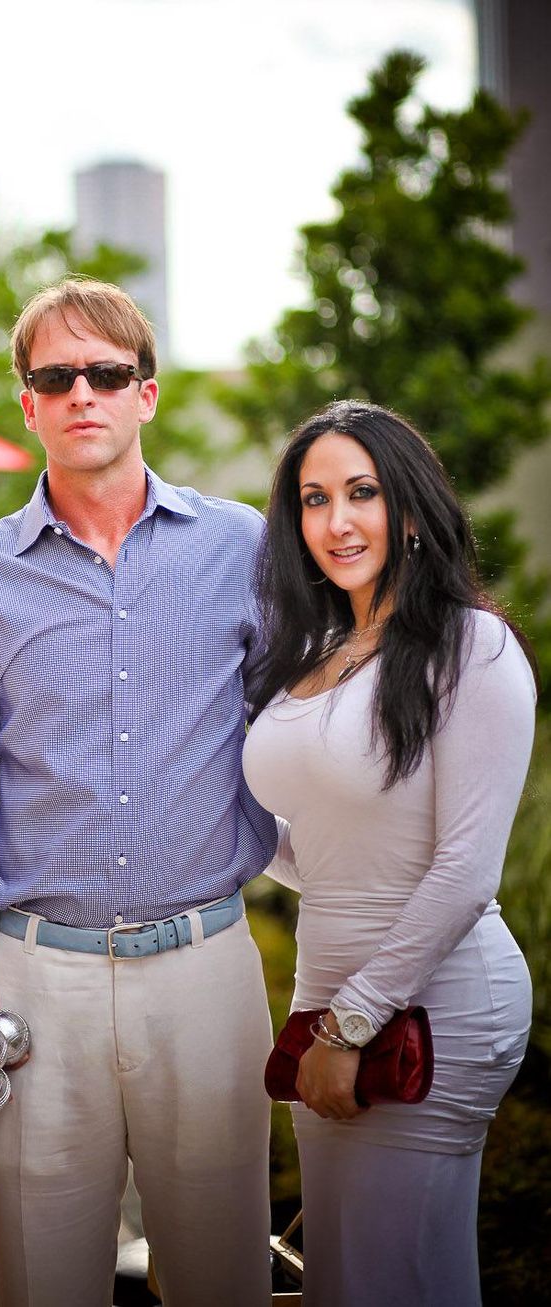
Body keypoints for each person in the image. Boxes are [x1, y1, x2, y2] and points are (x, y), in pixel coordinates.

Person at [0, 278, 277, 1306]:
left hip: (205, 969)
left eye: (106, 372)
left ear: (146, 394)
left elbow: (294, 728)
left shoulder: (243, 549)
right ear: (26, 402)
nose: (82, 392)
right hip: (40, 980)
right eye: (54, 375)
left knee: (222, 1278)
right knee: (44, 1281)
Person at [242, 400, 536, 1307]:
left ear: (409, 508)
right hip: (331, 1006)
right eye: (314, 497)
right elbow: (327, 855)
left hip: (430, 1008)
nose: (336, 521)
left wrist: (351, 1023)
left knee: (392, 1279)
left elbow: (464, 869)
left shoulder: (469, 646)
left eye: (361, 493)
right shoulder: (320, 648)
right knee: (352, 1277)